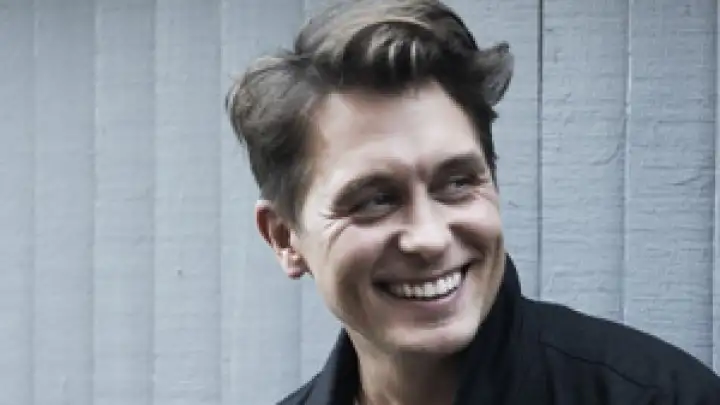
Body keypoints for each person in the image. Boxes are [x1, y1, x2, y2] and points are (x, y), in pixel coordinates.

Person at [224, 0, 720, 404]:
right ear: (285, 238)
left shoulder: (665, 397)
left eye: (457, 183)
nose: (429, 238)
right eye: (375, 200)